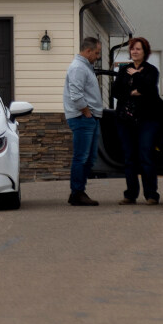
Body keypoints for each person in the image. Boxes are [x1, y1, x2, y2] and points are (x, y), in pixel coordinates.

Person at [113, 36, 163, 205]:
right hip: (126, 120)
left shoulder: (151, 71)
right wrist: (132, 92)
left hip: (148, 120)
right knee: (129, 157)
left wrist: (138, 77)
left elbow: (150, 91)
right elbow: (116, 92)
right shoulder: (124, 70)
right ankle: (130, 194)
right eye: (132, 49)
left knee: (146, 155)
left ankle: (151, 195)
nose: (134, 51)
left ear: (145, 52)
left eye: (138, 49)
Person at [63, 36, 103, 206]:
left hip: (89, 117)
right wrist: (86, 112)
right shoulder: (78, 68)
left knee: (90, 158)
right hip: (82, 118)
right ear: (88, 51)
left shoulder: (86, 67)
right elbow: (76, 94)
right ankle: (77, 192)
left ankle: (78, 191)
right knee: (81, 157)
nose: (98, 56)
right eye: (96, 52)